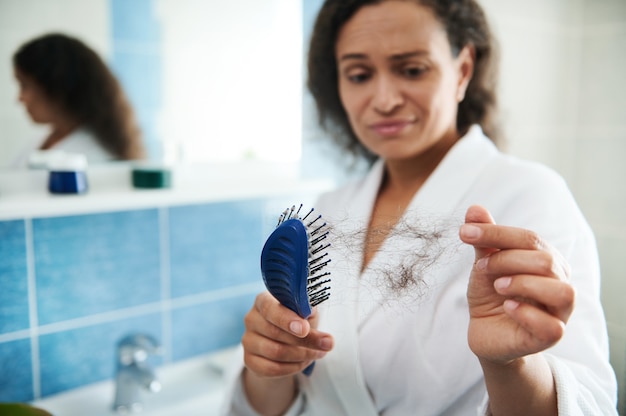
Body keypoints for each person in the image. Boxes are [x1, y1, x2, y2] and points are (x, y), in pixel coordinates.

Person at [222, 0, 618, 415]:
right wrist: (270, 365)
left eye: (411, 69)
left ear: (462, 70)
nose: (385, 99)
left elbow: (589, 404)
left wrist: (511, 364)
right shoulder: (327, 210)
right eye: (359, 75)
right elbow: (269, 403)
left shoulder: (530, 196)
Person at [11, 33, 144, 168]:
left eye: (25, 86)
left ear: (57, 87)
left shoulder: (98, 159)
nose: (19, 98)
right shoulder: (39, 141)